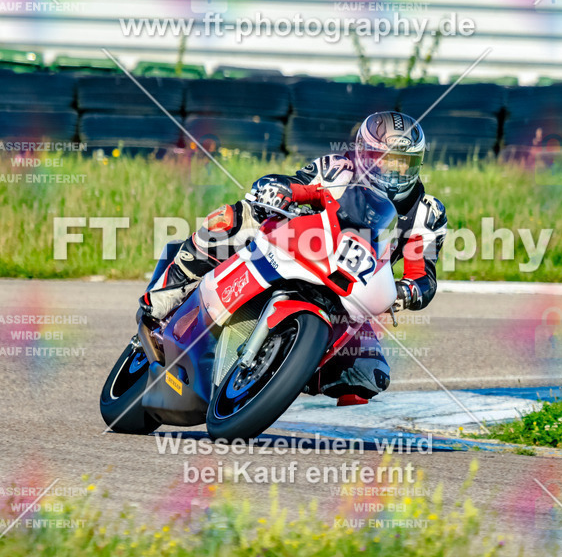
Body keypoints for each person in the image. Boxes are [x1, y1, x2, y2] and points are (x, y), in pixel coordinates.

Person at [140, 111, 448, 404]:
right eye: (385, 161)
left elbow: (424, 274)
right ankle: (162, 299)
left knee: (369, 375)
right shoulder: (337, 169)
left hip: (349, 289)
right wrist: (279, 190)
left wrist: (407, 291)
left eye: (404, 164)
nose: (395, 172)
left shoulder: (427, 213)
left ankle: (284, 367)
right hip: (300, 246)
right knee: (232, 220)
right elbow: (297, 185)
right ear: (363, 154)